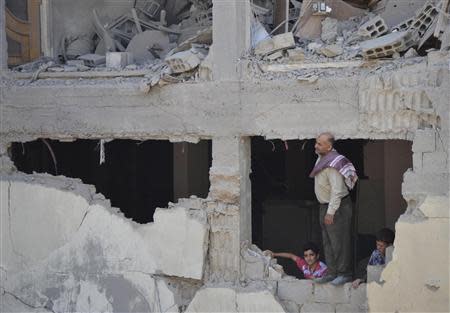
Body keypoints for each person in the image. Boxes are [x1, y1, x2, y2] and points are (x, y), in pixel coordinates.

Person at [309, 132, 358, 285]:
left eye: (320, 144)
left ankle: (345, 273)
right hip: (325, 205)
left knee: (340, 242)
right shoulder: (322, 158)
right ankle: (332, 272)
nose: (316, 146)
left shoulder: (332, 163)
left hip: (337, 207)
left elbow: (337, 191)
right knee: (328, 241)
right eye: (316, 143)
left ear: (329, 147)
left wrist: (331, 212)